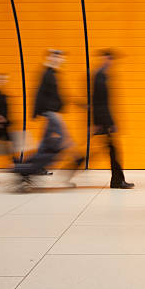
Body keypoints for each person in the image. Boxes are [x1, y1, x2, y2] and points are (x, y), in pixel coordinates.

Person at [14, 49, 84, 187]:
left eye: (60, 58)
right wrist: (40, 112)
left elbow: (60, 96)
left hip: (52, 115)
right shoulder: (47, 74)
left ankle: (25, 170)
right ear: (50, 58)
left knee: (46, 147)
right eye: (56, 57)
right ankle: (25, 170)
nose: (59, 60)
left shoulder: (53, 74)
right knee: (63, 145)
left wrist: (78, 103)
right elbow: (39, 94)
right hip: (52, 115)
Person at [92, 50, 134, 189]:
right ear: (103, 59)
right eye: (108, 58)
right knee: (113, 151)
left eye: (111, 59)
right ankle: (117, 181)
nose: (110, 62)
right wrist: (106, 123)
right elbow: (98, 102)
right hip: (103, 122)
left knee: (111, 151)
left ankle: (117, 180)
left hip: (103, 121)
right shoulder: (99, 77)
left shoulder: (103, 76)